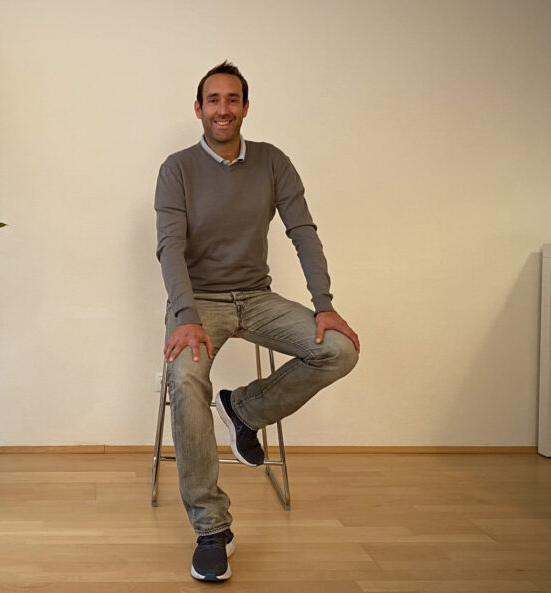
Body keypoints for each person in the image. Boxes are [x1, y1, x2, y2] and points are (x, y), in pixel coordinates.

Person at [154, 61, 361, 582]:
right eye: (213, 100)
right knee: (184, 378)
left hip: (256, 296)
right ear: (198, 109)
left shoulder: (273, 163)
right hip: (199, 303)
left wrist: (324, 303)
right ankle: (211, 528)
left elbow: (303, 231)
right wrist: (185, 315)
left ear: (246, 107)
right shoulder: (176, 168)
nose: (223, 109)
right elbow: (169, 248)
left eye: (233, 99)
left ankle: (243, 409)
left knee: (339, 349)